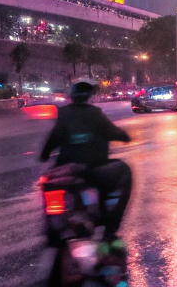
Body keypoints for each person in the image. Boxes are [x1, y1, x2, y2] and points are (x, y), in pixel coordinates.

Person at [40, 80, 133, 239]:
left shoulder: (63, 114)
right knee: (125, 172)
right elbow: (116, 133)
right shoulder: (96, 114)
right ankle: (110, 229)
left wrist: (45, 154)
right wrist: (124, 136)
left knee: (48, 185)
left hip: (65, 168)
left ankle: (52, 230)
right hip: (93, 170)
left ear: (71, 97)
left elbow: (53, 139)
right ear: (89, 97)